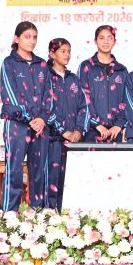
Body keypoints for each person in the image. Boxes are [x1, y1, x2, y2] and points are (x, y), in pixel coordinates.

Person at [0, 21, 53, 211]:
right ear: (16, 39)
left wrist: (42, 119)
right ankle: (9, 214)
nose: (32, 41)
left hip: (40, 126)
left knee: (39, 172)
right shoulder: (9, 63)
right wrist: (30, 119)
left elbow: (49, 96)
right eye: (27, 37)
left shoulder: (42, 64)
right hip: (17, 125)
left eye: (34, 37)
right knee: (14, 170)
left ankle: (38, 214)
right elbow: (10, 96)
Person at [44, 38, 88, 210]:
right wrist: (62, 131)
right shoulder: (45, 77)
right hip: (52, 140)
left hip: (73, 141)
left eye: (69, 51)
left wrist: (79, 130)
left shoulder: (74, 79)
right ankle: (49, 216)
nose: (67, 55)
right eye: (63, 51)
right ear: (52, 54)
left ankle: (67, 218)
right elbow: (44, 108)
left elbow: (84, 107)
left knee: (70, 181)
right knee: (51, 181)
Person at [78, 25, 128, 143]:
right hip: (92, 130)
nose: (106, 41)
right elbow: (83, 97)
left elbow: (127, 101)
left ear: (114, 41)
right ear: (95, 41)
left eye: (109, 38)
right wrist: (97, 124)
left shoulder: (122, 70)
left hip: (116, 132)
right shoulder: (86, 67)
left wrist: (119, 125)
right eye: (101, 38)